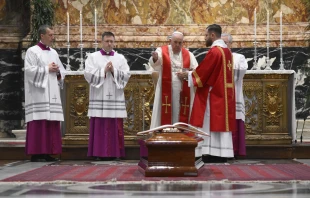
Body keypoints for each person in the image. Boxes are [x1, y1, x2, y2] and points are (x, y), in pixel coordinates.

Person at [177, 24, 236, 162]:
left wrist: (188, 75)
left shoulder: (215, 51)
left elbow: (204, 72)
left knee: (209, 122)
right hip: (224, 93)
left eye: (206, 35)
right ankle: (222, 152)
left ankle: (210, 152)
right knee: (220, 123)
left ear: (213, 35)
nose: (205, 38)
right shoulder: (227, 52)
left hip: (213, 93)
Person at [84, 31, 131, 161]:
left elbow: (127, 75)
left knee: (114, 123)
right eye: (107, 41)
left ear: (114, 42)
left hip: (115, 96)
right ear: (102, 42)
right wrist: (103, 71)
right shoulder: (92, 57)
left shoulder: (120, 58)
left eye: (111, 41)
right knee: (100, 123)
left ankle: (115, 153)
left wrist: (113, 71)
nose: (109, 43)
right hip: (99, 96)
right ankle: (99, 153)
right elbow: (88, 74)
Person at [24, 24, 65, 162]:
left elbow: (62, 71)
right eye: (50, 35)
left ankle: (49, 152)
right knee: (39, 121)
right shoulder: (32, 51)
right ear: (42, 36)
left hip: (52, 91)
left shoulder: (53, 52)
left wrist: (58, 71)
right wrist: (46, 68)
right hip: (38, 93)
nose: (52, 38)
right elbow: (29, 71)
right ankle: (37, 153)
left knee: (51, 121)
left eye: (53, 35)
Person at [149, 31, 198, 128]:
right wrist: (155, 58)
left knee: (180, 112)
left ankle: (182, 135)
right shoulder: (162, 51)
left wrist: (187, 74)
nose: (177, 45)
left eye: (180, 43)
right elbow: (156, 63)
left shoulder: (188, 54)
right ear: (170, 41)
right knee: (166, 111)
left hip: (183, 92)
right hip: (166, 90)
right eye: (175, 42)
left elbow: (196, 70)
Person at [221, 33, 248, 157]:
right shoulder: (216, 56)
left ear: (230, 44)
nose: (223, 45)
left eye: (225, 43)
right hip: (220, 96)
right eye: (221, 43)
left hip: (234, 94)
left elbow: (239, 73)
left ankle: (235, 151)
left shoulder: (239, 57)